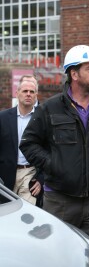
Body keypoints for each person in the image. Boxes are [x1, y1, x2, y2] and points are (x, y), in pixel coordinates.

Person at [20, 45, 89, 262]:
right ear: (74, 74)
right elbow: (29, 143)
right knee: (58, 258)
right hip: (59, 200)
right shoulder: (50, 109)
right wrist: (53, 166)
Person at [0, 75, 43, 205]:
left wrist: (42, 179)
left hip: (30, 173)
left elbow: (50, 149)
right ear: (17, 93)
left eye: (32, 92)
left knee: (28, 216)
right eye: (25, 91)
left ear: (36, 95)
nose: (28, 94)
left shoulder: (43, 118)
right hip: (6, 174)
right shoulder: (3, 118)